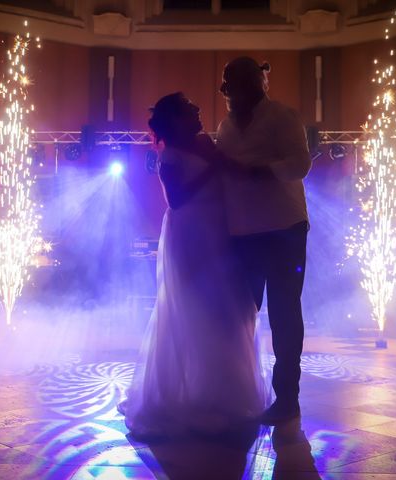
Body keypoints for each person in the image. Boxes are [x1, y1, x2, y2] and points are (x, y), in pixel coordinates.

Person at [119, 92, 267, 437]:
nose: (199, 109)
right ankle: (189, 396)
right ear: (176, 119)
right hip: (190, 236)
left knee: (227, 311)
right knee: (195, 311)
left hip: (216, 232)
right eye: (191, 108)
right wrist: (211, 167)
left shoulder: (205, 145)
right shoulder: (169, 154)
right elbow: (178, 199)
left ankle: (221, 392)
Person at [216, 56, 312, 425]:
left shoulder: (283, 117)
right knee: (240, 314)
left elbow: (301, 164)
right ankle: (238, 390)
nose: (226, 91)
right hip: (243, 233)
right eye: (225, 84)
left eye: (231, 82)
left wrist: (257, 172)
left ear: (255, 83)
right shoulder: (224, 127)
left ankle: (286, 399)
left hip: (284, 228)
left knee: (284, 313)